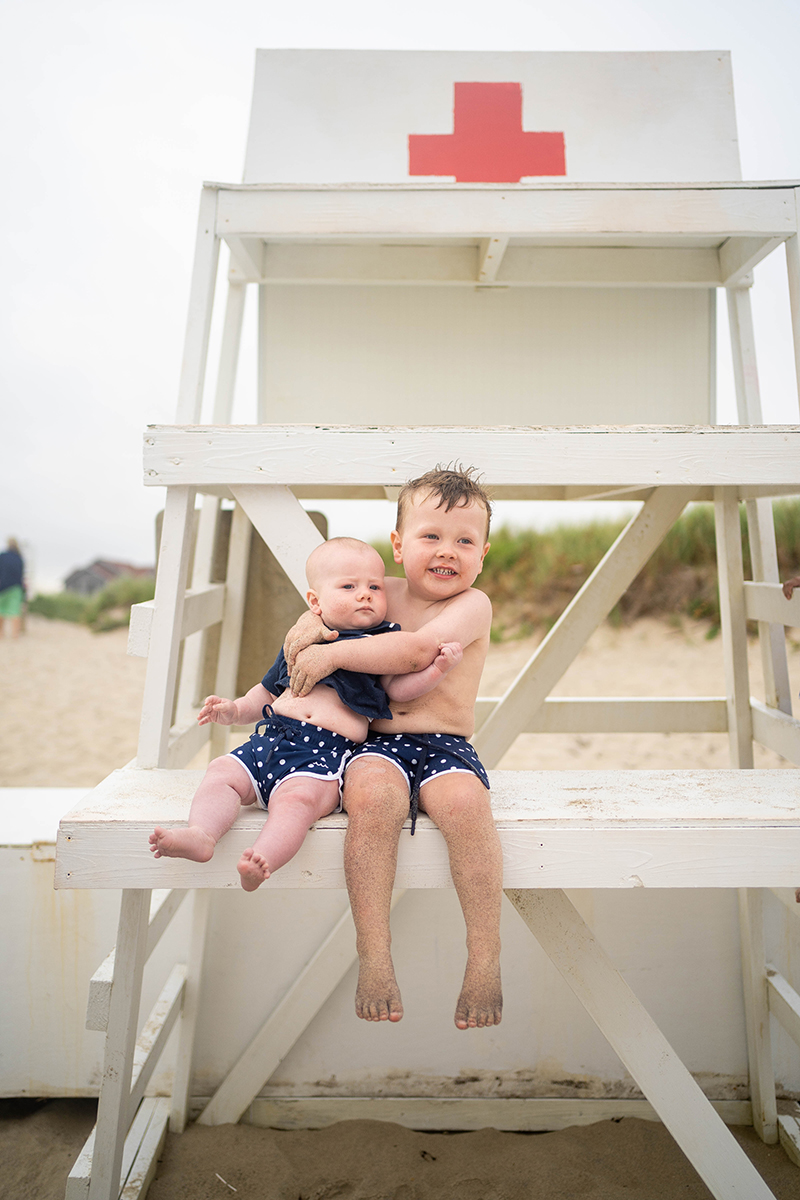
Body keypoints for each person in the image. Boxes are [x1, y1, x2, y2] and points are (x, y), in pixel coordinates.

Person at [284, 466, 502, 1031]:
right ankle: (374, 954)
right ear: (399, 545)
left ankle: (484, 956)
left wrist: (331, 657)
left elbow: (415, 652)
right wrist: (305, 633)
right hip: (378, 741)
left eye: (464, 540)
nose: (446, 551)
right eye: (431, 536)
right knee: (373, 798)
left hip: (445, 745)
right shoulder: (380, 595)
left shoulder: (473, 605)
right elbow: (326, 612)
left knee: (466, 807)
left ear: (483, 554)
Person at [149, 537, 462, 891]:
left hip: (321, 758)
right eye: (349, 586)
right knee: (221, 771)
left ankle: (262, 859)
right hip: (269, 740)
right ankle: (202, 834)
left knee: (297, 804)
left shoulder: (379, 643)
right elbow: (267, 690)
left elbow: (396, 692)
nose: (366, 594)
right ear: (315, 601)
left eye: (375, 586)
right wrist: (235, 710)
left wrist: (437, 670)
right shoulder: (302, 641)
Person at [0, 538, 25, 639]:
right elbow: (21, 575)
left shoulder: (3, 556)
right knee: (15, 611)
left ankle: (1, 633)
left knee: (1, 610)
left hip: (2, 586)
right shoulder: (19, 558)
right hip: (16, 587)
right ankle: (15, 635)